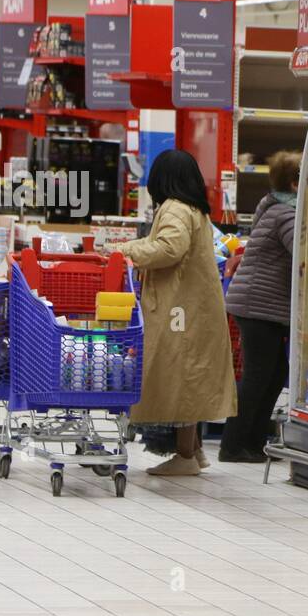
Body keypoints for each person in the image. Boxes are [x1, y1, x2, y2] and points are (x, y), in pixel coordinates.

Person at [120, 150, 237, 475]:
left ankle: (185, 456)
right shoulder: (193, 209)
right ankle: (194, 451)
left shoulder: (174, 209)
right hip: (194, 308)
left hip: (181, 310)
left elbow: (169, 248)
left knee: (182, 377)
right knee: (192, 376)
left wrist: (125, 250)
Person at [220, 150, 300, 462]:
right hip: (258, 305)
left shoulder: (272, 206)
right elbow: (301, 251)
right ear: (295, 183)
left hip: (258, 302)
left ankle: (252, 442)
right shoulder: (287, 215)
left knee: (273, 372)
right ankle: (233, 445)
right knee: (258, 376)